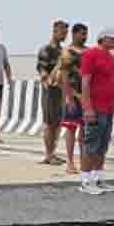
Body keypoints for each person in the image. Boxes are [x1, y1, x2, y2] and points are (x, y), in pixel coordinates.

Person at [78, 30, 114, 194]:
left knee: (102, 145)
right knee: (90, 144)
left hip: (108, 108)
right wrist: (88, 107)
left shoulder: (111, 58)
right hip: (95, 108)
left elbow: (112, 82)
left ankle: (99, 178)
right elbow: (85, 82)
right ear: (103, 39)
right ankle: (86, 181)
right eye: (112, 38)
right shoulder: (90, 55)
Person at [56, 23, 90, 175]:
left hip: (86, 96)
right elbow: (63, 75)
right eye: (82, 34)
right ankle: (70, 161)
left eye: (86, 34)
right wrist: (69, 97)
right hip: (73, 95)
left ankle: (84, 161)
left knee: (85, 129)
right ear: (74, 34)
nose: (84, 36)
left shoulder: (89, 51)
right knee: (71, 128)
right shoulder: (67, 52)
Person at [36, 20, 68, 165]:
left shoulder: (62, 51)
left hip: (60, 91)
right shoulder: (46, 49)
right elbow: (42, 70)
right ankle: (48, 155)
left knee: (57, 123)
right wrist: (47, 81)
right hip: (50, 90)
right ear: (54, 31)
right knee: (49, 123)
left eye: (66, 32)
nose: (64, 35)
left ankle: (53, 153)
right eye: (62, 32)